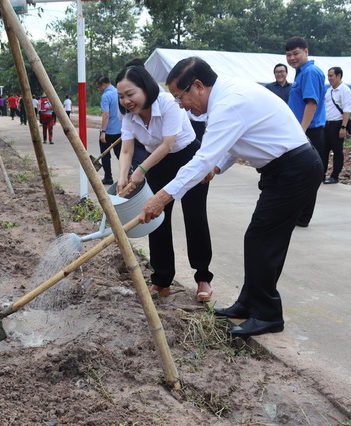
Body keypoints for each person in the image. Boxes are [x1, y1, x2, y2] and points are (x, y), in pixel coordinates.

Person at [138, 56, 322, 337]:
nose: (182, 105)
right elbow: (235, 142)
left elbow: (200, 159)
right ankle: (249, 303)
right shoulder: (228, 95)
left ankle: (268, 314)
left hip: (294, 170)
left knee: (262, 239)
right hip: (283, 170)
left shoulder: (228, 103)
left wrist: (161, 197)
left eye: (180, 97)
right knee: (260, 238)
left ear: (198, 86)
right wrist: (217, 166)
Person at [115, 65, 214, 303]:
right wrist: (122, 176)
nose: (126, 101)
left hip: (187, 157)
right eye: (121, 96)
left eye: (131, 94)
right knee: (156, 217)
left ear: (146, 88)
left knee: (195, 216)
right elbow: (127, 149)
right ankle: (161, 279)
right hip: (157, 164)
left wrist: (140, 170)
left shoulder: (169, 103)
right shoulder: (128, 115)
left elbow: (168, 144)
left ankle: (203, 277)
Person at [286, 36, 326, 227]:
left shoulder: (310, 72)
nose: (292, 58)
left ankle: (303, 217)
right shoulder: (301, 73)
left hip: (309, 131)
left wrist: (301, 131)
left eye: (296, 53)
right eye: (288, 55)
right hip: (302, 130)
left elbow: (311, 103)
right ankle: (299, 214)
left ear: (306, 52)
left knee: (306, 174)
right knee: (299, 173)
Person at [323, 67, 351, 184]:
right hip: (327, 124)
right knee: (323, 151)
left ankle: (335, 175)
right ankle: (322, 173)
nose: (329, 78)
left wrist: (343, 127)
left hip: (337, 124)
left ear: (339, 76)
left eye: (331, 76)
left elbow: (346, 110)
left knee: (337, 151)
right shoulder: (329, 90)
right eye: (328, 76)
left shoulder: (345, 90)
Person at [95, 76, 123, 185]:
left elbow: (106, 114)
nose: (99, 90)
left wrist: (103, 131)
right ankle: (126, 175)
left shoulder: (106, 96)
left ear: (103, 85)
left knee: (105, 155)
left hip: (108, 132)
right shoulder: (119, 92)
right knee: (121, 155)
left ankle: (108, 177)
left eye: (99, 87)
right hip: (120, 131)